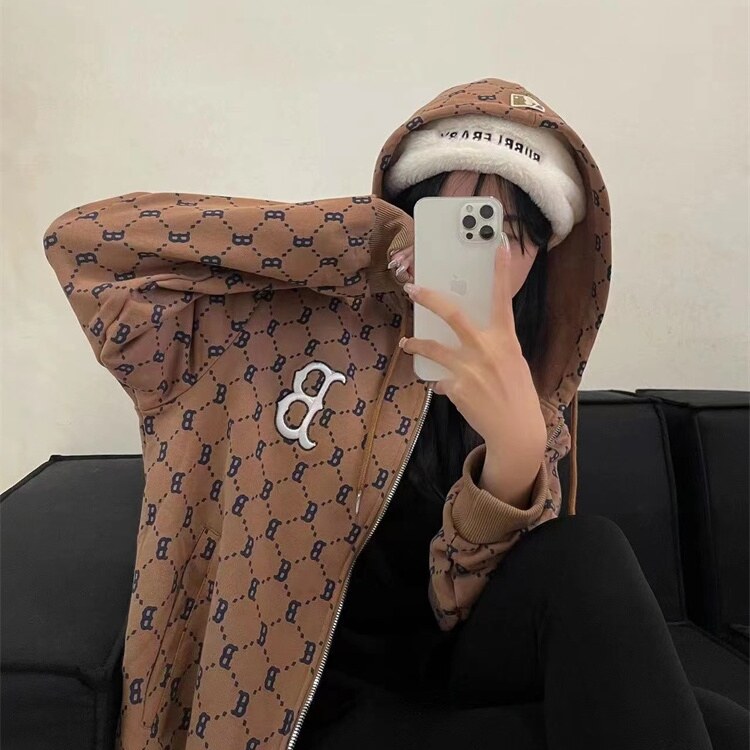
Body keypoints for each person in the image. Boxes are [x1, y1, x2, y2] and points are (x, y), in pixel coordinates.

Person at [42, 78, 748, 750]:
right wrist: (363, 242)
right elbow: (85, 243)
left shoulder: (529, 394)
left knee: (599, 567)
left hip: (447, 684)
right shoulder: (264, 335)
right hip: (302, 710)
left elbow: (467, 608)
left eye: (516, 233)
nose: (489, 255)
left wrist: (514, 456)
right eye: (459, 224)